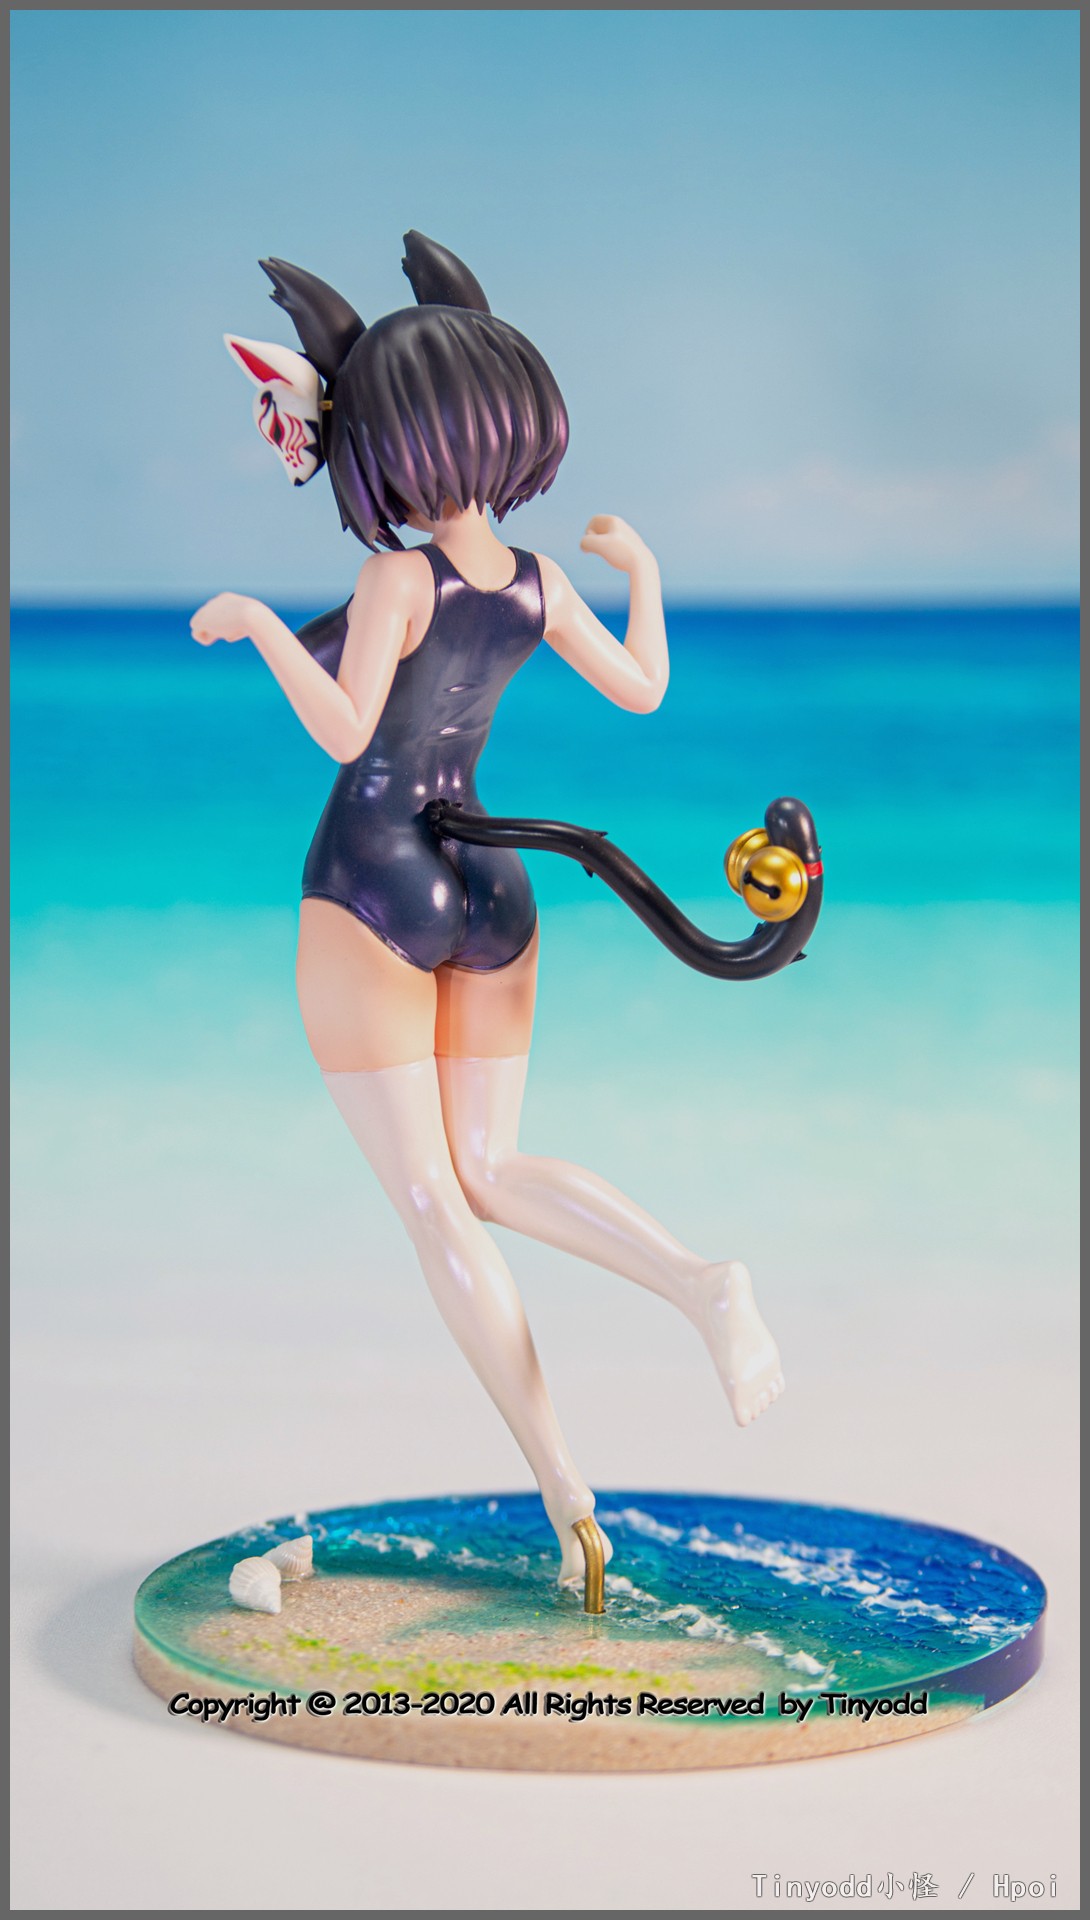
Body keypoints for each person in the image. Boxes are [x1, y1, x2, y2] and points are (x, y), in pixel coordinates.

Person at [191, 231, 784, 1590]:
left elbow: (349, 732)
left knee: (434, 1200)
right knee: (495, 1168)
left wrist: (260, 626)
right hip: (489, 875)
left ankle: (567, 1492)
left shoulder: (396, 578)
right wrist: (642, 571)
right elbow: (644, 692)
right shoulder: (536, 582)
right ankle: (701, 1281)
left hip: (374, 879)